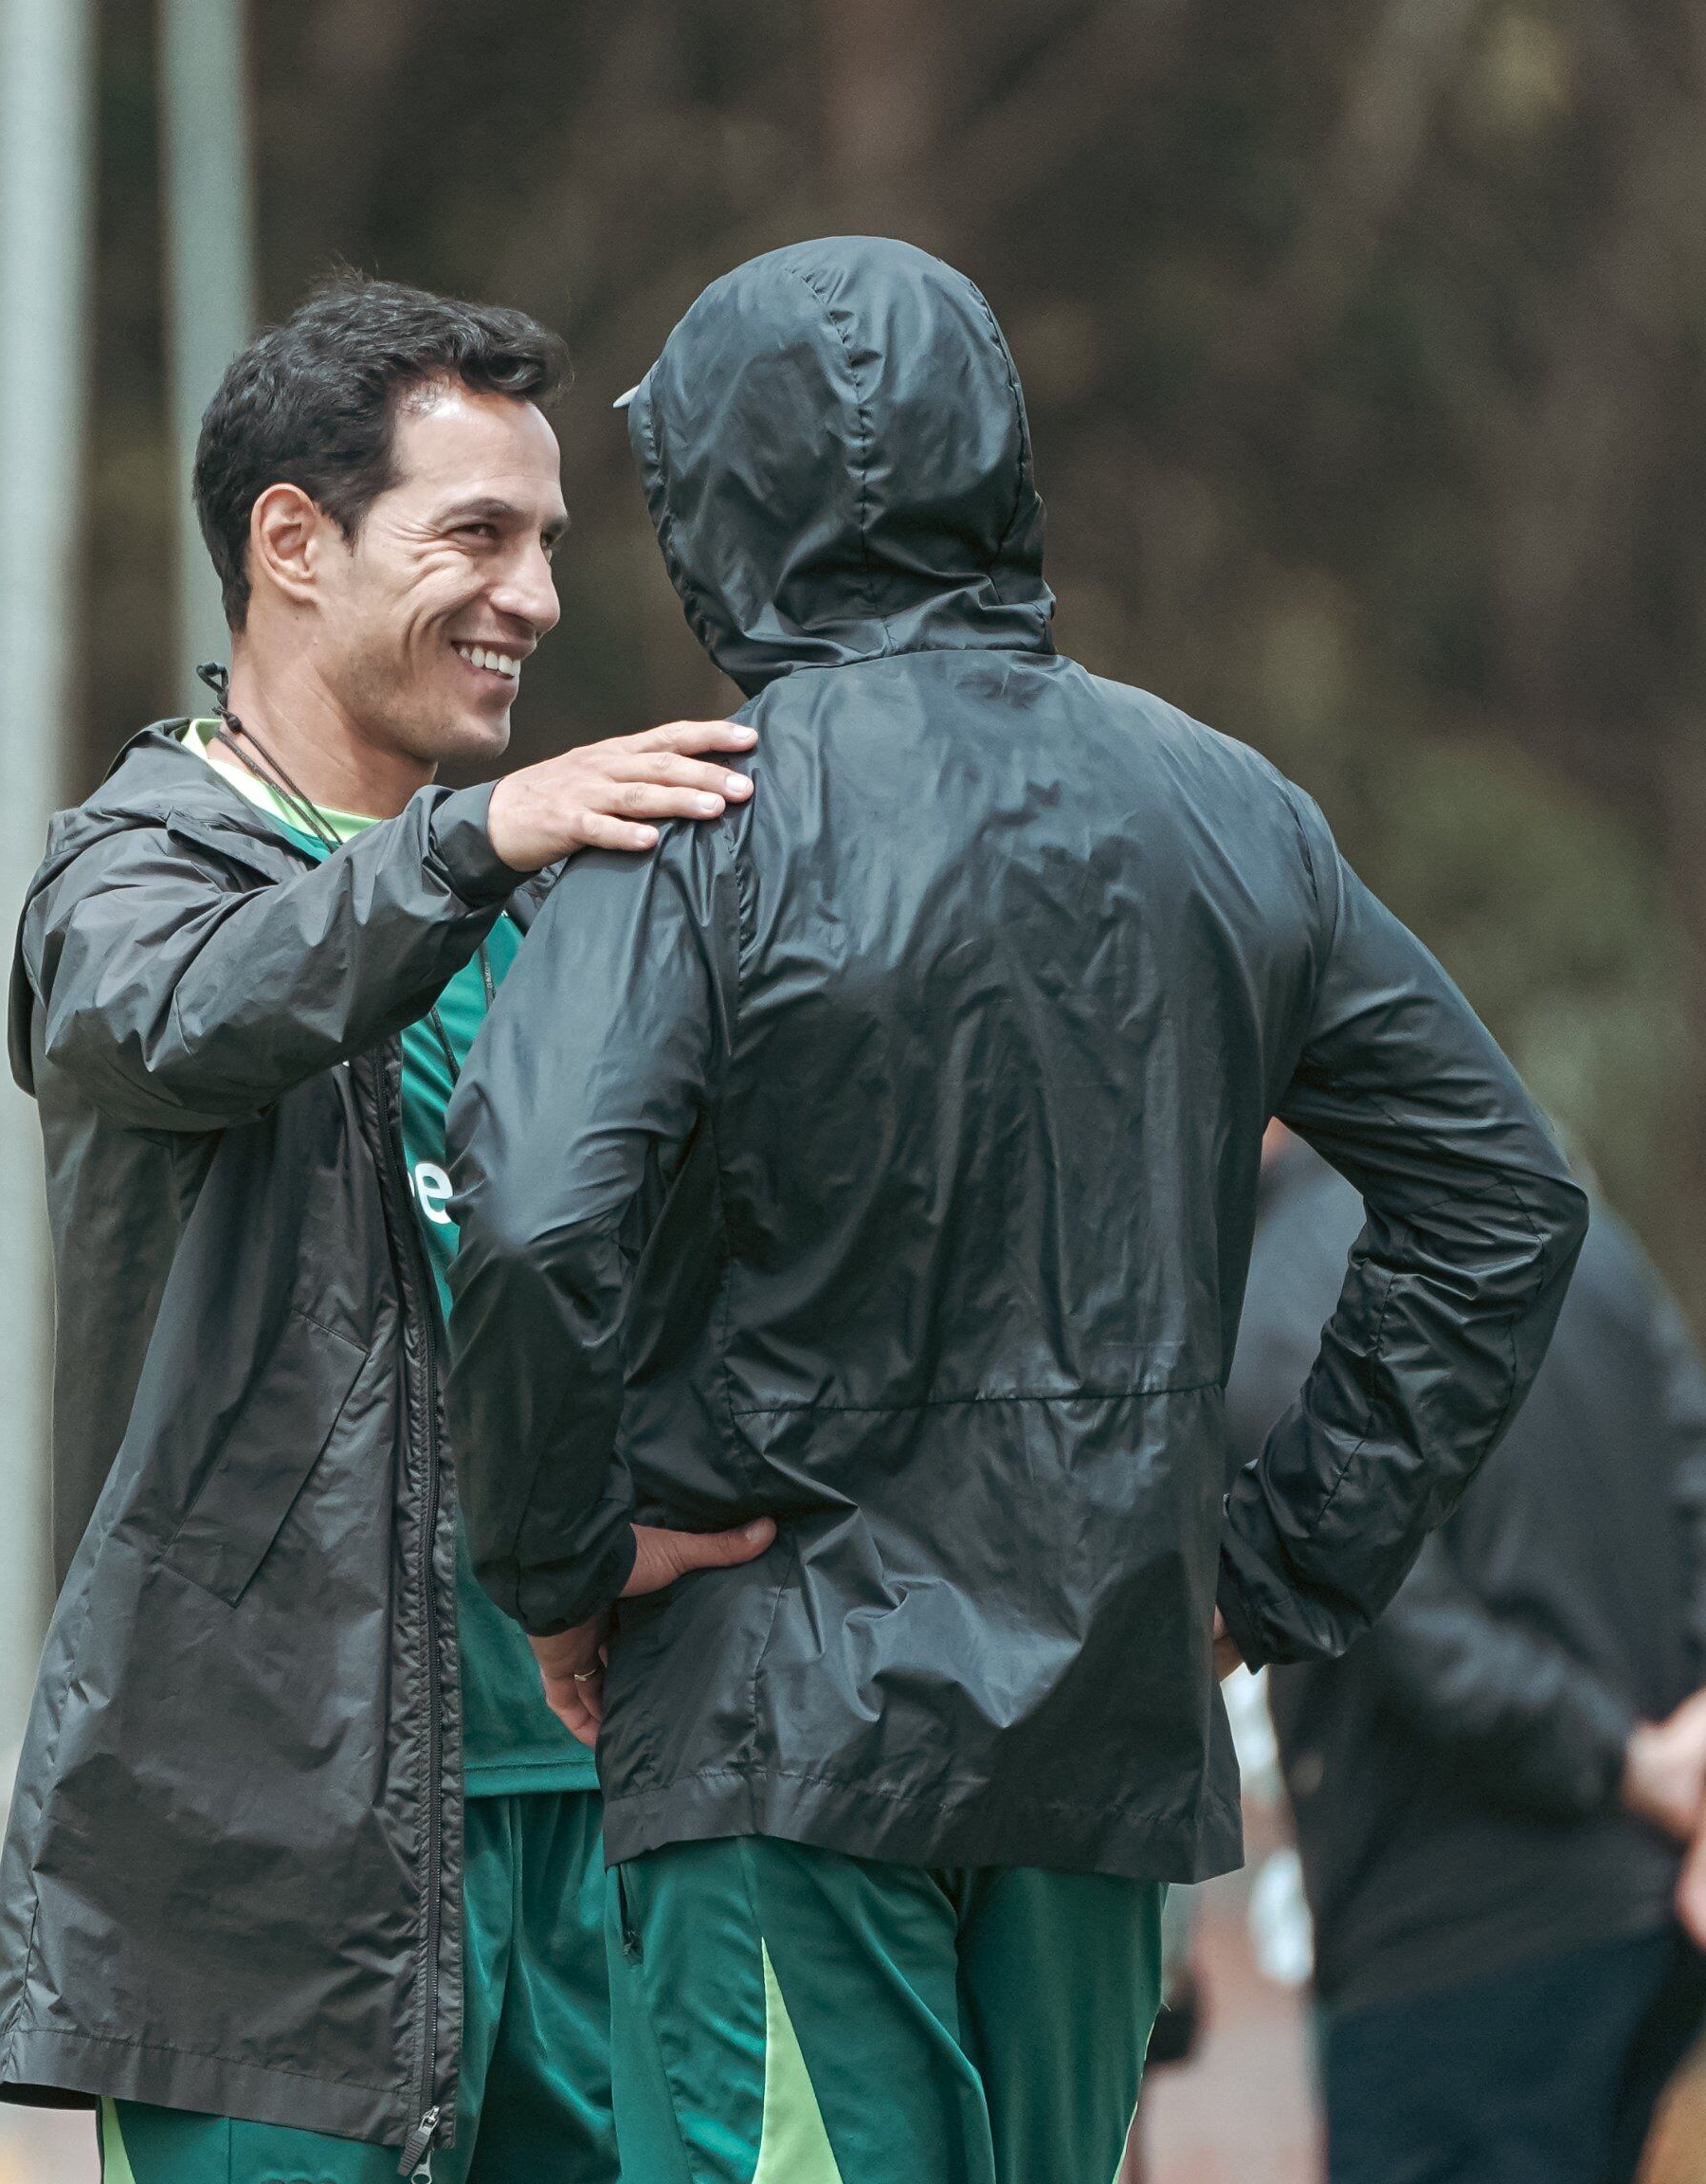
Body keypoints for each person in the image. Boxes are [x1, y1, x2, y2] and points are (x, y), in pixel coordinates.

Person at [444, 236, 1593, 2184]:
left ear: (715, 500)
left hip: (765, 1732)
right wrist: (1272, 1566)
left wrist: (563, 1561)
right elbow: (1497, 1199)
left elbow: (538, 1217)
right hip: (1095, 1737)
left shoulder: (676, 828)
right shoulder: (1223, 808)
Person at [0, 276, 773, 2183]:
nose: (535, 596)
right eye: (475, 536)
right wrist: (477, 838)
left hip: (576, 1832)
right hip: (263, 1880)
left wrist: (638, 1499)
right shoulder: (133, 877)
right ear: (291, 544)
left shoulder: (529, 914)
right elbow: (190, 1011)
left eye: (548, 544)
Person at [1229, 1127, 1706, 2184]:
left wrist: (1644, 1767)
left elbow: (1394, 1621)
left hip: (1456, 1951)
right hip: (1647, 1927)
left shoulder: (1277, 1293)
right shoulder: (1557, 1210)